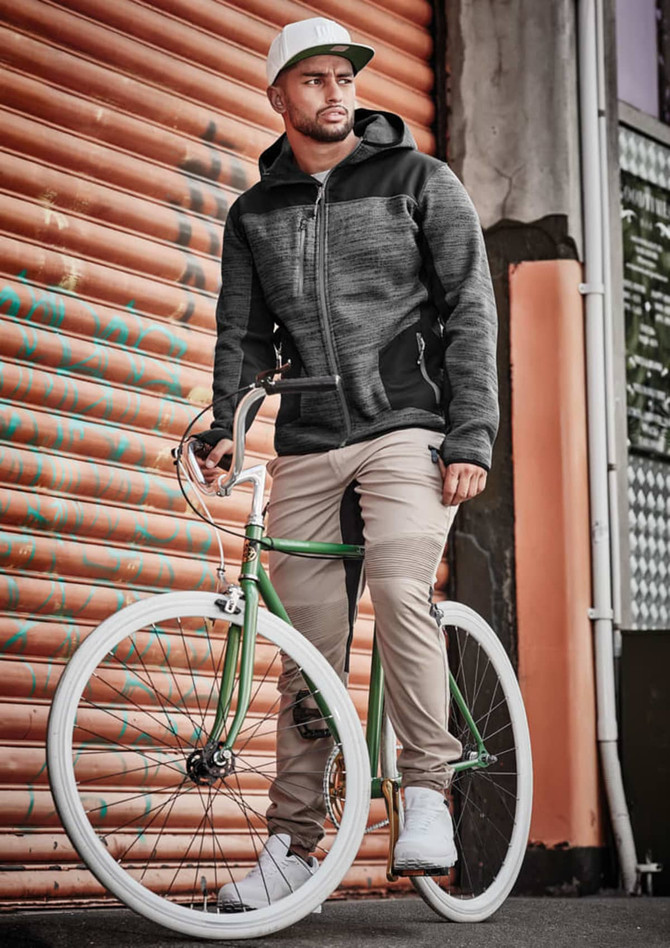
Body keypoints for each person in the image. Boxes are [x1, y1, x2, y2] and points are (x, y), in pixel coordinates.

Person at [196, 16, 499, 911]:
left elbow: (471, 307)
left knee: (405, 589)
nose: (337, 91)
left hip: (408, 426)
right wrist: (227, 424)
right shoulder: (255, 213)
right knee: (303, 646)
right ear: (279, 96)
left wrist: (471, 434)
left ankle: (427, 791)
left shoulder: (419, 180)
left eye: (345, 77)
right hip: (309, 440)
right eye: (316, 79)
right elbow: (243, 334)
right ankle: (293, 847)